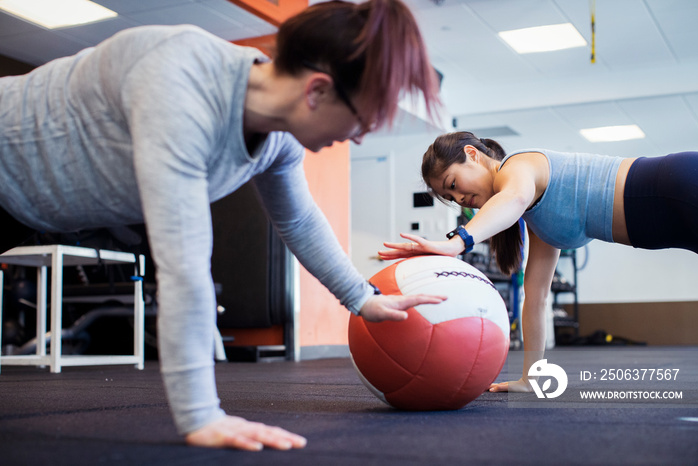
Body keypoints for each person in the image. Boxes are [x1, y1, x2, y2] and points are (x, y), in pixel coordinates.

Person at [0, 0, 446, 451]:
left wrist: (362, 298)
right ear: (317, 91)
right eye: (362, 121)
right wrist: (200, 416)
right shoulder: (181, 80)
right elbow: (185, 264)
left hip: (25, 208)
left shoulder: (279, 139)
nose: (359, 137)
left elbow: (297, 217)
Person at [379, 131, 698, 395]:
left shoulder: (518, 167)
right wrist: (531, 376)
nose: (459, 199)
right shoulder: (539, 214)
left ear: (473, 155)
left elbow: (513, 198)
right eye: (450, 198)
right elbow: (536, 299)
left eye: (452, 184)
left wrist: (455, 243)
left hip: (679, 186)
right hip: (672, 215)